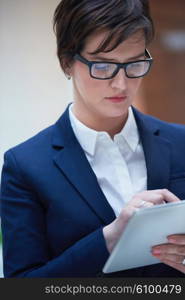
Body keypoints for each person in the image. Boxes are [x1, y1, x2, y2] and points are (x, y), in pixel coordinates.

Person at [1, 0, 185, 278]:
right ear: (67, 61)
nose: (121, 84)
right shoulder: (25, 166)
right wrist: (110, 238)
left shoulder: (181, 141)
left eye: (134, 64)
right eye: (102, 66)